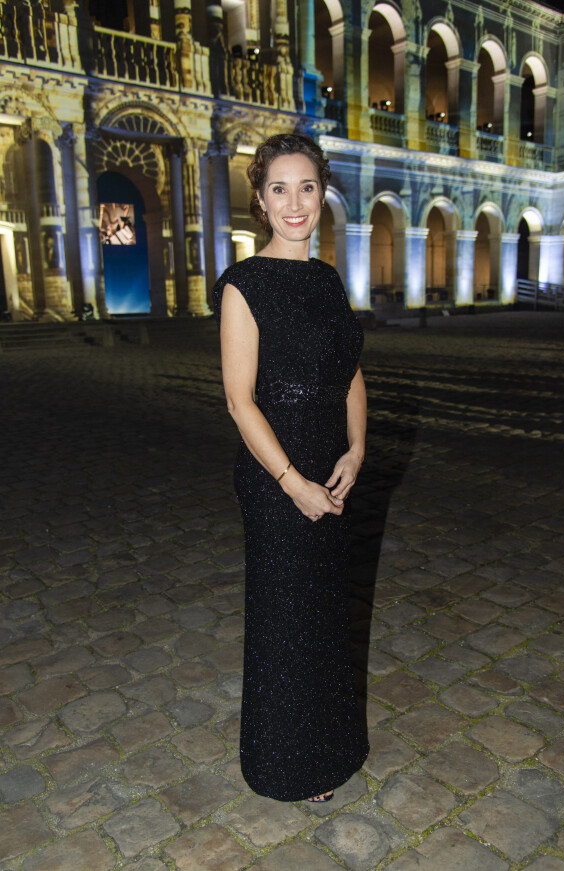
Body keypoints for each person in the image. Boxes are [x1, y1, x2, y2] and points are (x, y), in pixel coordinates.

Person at [212, 133, 369, 803]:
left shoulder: (328, 279)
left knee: (329, 617)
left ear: (322, 193)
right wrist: (291, 482)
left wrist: (356, 449)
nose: (295, 202)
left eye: (307, 186)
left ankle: (332, 746)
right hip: (276, 476)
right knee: (287, 619)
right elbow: (239, 401)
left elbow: (351, 373)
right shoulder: (244, 284)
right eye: (280, 188)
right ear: (260, 199)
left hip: (330, 467)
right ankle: (287, 764)